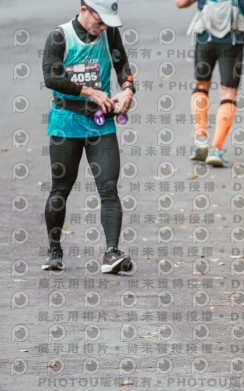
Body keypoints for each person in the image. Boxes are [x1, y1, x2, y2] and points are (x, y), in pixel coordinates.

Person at [42, 0, 135, 274]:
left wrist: (128, 89)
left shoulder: (109, 33)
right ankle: (54, 251)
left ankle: (112, 253)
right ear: (85, 9)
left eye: (108, 22)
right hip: (65, 122)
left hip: (100, 124)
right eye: (100, 20)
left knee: (109, 187)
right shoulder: (59, 36)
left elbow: (122, 64)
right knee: (61, 189)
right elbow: (51, 77)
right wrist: (89, 92)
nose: (104, 27)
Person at [176, 0, 244, 167]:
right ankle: (216, 149)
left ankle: (200, 141)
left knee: (201, 86)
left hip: (205, 39)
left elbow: (180, 4)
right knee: (228, 94)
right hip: (232, 41)